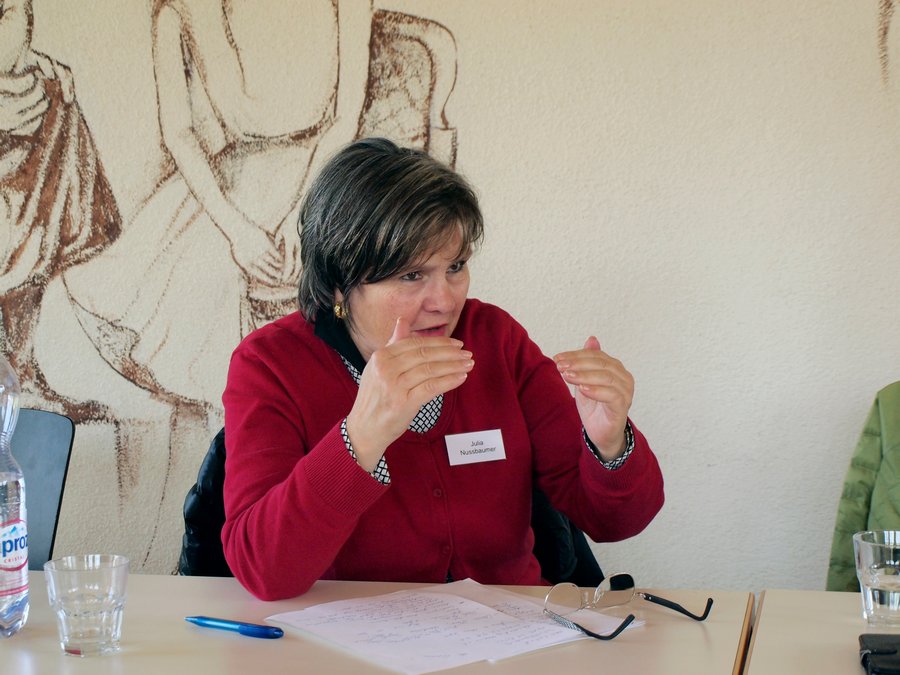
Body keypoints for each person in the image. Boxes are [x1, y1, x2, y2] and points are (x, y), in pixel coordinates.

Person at [221, 137, 665, 601]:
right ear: (338, 283)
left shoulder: (495, 339)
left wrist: (609, 444)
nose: (445, 300)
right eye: (411, 275)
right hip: (354, 634)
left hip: (513, 630)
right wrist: (361, 438)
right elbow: (264, 571)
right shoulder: (270, 365)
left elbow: (617, 522)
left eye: (455, 267)